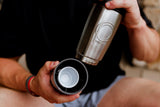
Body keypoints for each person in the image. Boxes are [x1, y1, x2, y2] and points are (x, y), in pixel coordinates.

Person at [0, 0, 160, 107]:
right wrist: (32, 84)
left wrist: (137, 24)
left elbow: (149, 55)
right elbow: (3, 60)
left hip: (109, 89)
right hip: (44, 96)